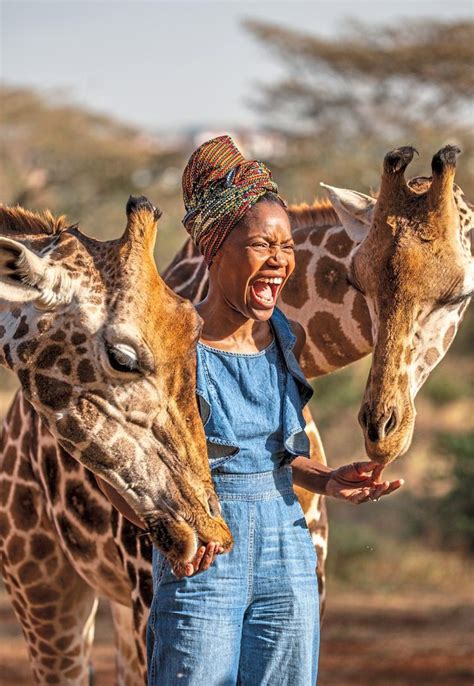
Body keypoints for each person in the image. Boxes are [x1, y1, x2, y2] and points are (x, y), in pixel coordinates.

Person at [104, 135, 403, 685]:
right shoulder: (171, 348)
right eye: (263, 245)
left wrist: (331, 479)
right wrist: (167, 528)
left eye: (286, 246)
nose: (280, 261)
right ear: (214, 249)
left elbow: (278, 456)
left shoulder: (282, 336)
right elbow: (116, 470)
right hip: (204, 556)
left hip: (288, 553)